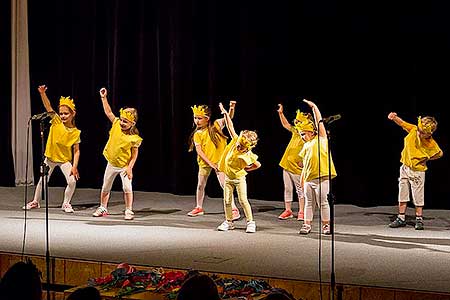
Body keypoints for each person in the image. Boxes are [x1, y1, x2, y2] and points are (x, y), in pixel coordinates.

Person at [23, 85, 81, 213]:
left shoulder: (76, 132)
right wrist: (43, 93)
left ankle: (66, 203)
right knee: (42, 180)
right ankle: (35, 201)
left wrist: (74, 166)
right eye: (61, 113)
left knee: (72, 181)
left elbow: (76, 151)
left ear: (73, 114)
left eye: (66, 113)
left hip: (64, 160)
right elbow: (48, 107)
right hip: (50, 158)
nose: (63, 116)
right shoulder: (56, 121)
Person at [92, 87, 143, 220]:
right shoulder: (115, 124)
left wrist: (130, 168)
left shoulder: (134, 138)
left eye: (125, 122)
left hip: (124, 166)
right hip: (111, 163)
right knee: (106, 186)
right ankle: (103, 207)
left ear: (133, 123)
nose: (122, 123)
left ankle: (128, 209)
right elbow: (108, 112)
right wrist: (103, 98)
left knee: (127, 187)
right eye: (121, 119)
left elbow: (134, 155)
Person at [387, 113, 443, 230]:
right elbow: (402, 123)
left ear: (429, 133)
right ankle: (401, 217)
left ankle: (419, 218)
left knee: (417, 194)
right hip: (405, 167)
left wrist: (426, 158)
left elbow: (439, 153)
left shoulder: (430, 142)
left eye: (423, 132)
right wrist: (394, 118)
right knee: (403, 192)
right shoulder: (413, 129)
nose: (419, 133)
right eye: (420, 130)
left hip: (417, 171)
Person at [187, 102, 240, 220]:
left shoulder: (216, 125)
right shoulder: (197, 134)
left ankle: (233, 208)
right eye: (195, 118)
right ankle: (199, 207)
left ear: (207, 118)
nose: (197, 121)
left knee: (224, 184)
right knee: (200, 184)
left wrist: (231, 109)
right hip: (205, 162)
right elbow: (199, 151)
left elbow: (228, 118)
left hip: (220, 161)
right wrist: (210, 163)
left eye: (199, 118)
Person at [216, 102, 261, 233]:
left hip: (239, 179)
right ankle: (229, 222)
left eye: (242, 147)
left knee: (243, 200)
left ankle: (251, 222)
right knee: (227, 200)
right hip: (228, 178)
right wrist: (225, 113)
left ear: (247, 147)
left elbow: (258, 164)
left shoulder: (248, 154)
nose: (238, 147)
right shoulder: (236, 140)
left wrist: (248, 169)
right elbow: (230, 126)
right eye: (239, 145)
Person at [297, 99, 337, 235]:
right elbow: (304, 165)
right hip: (308, 179)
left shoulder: (321, 139)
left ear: (312, 132)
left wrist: (314, 107)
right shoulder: (305, 146)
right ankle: (306, 224)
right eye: (300, 134)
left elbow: (319, 122)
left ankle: (326, 226)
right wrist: (302, 180)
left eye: (304, 134)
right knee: (309, 202)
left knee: (323, 202)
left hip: (322, 177)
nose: (302, 136)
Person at [276, 104, 309, 220]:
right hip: (287, 164)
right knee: (288, 188)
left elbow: (310, 151)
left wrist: (304, 162)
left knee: (300, 189)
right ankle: (288, 210)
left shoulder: (308, 136)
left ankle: (301, 210)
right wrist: (281, 113)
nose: (297, 122)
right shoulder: (296, 132)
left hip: (297, 167)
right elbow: (286, 124)